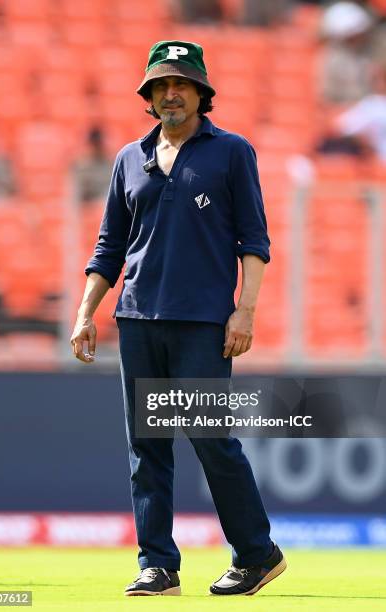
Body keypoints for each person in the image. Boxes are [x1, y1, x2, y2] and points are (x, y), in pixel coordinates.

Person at [70, 40, 286, 597]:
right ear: (148, 95)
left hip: (203, 323)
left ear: (201, 94)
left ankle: (257, 555)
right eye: (161, 85)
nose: (171, 93)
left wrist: (245, 310)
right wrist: (85, 312)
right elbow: (109, 246)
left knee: (212, 439)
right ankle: (158, 565)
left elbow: (254, 239)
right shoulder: (128, 158)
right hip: (138, 319)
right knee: (147, 446)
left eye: (182, 84)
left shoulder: (231, 151)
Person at [72, 126, 113, 204]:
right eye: (94, 145)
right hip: (87, 208)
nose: (96, 148)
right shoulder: (80, 167)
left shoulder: (111, 165)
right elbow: (75, 196)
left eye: (98, 145)